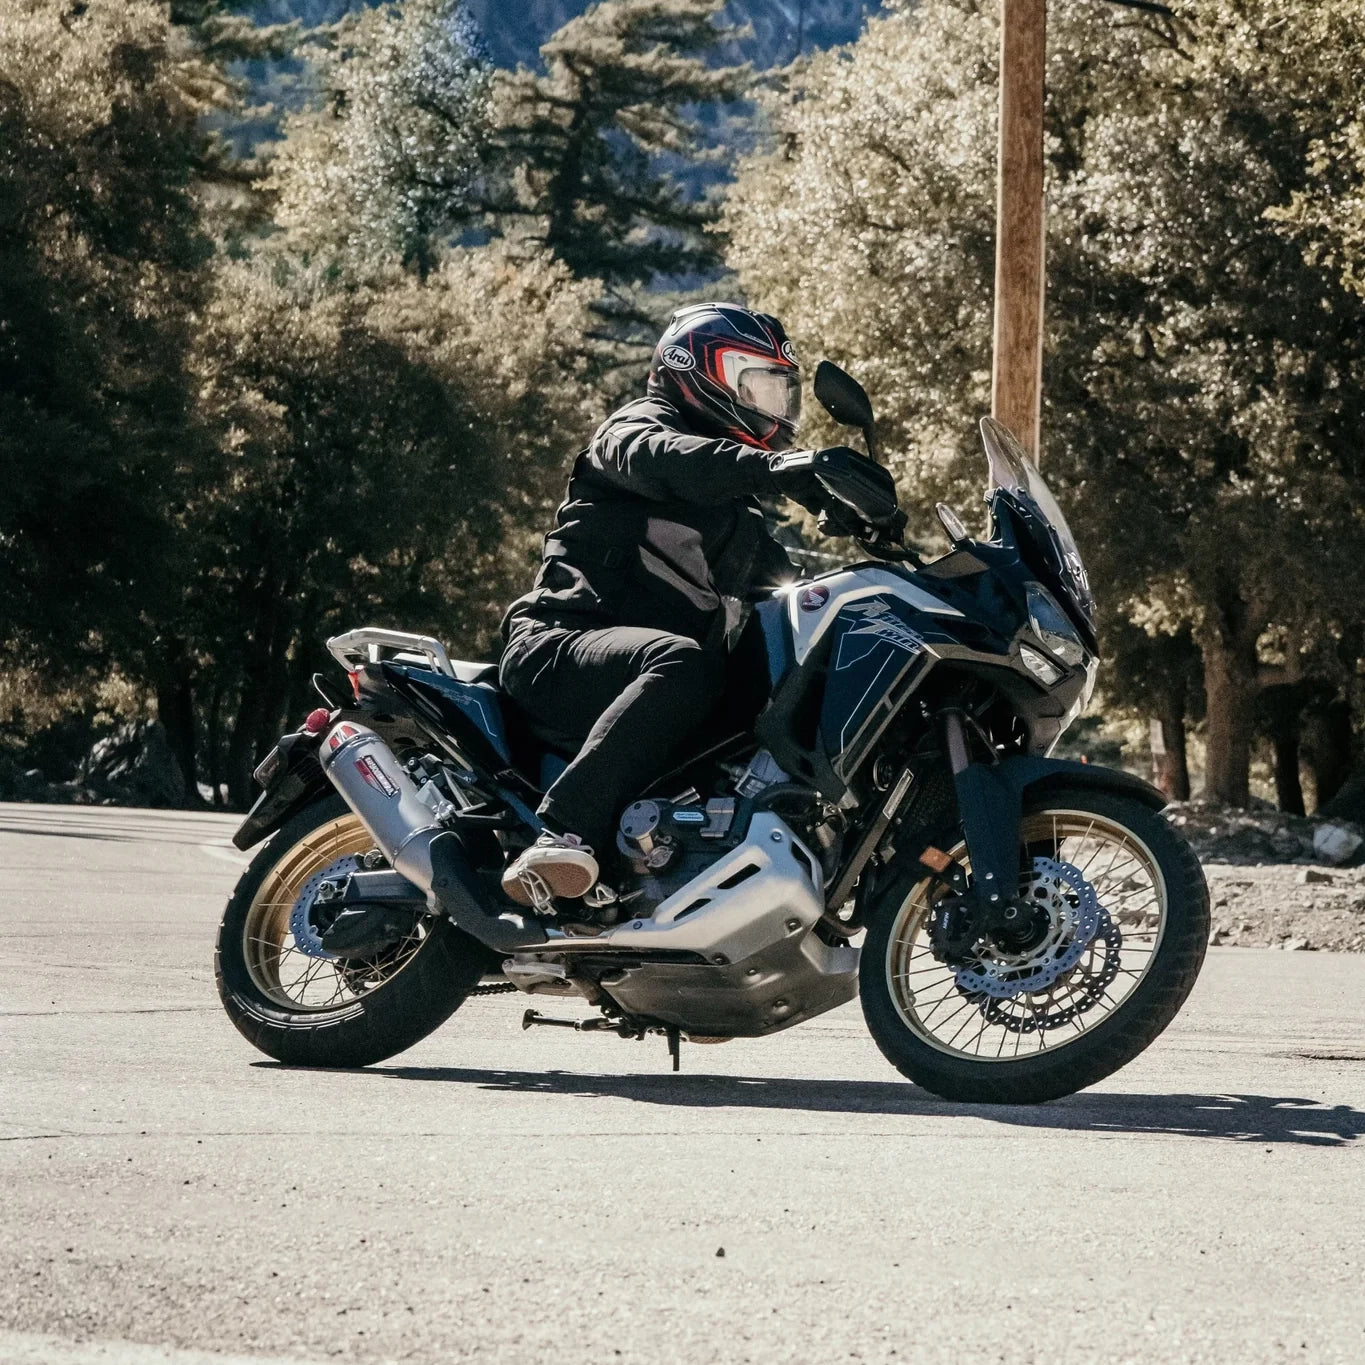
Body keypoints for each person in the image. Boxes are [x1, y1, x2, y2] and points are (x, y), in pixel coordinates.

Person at [498, 302, 850, 910]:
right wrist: (774, 468)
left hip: (649, 677)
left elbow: (788, 590)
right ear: (698, 369)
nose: (771, 404)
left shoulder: (733, 518)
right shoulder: (638, 430)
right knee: (685, 664)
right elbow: (665, 458)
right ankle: (563, 833)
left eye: (778, 390)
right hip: (558, 646)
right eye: (754, 383)